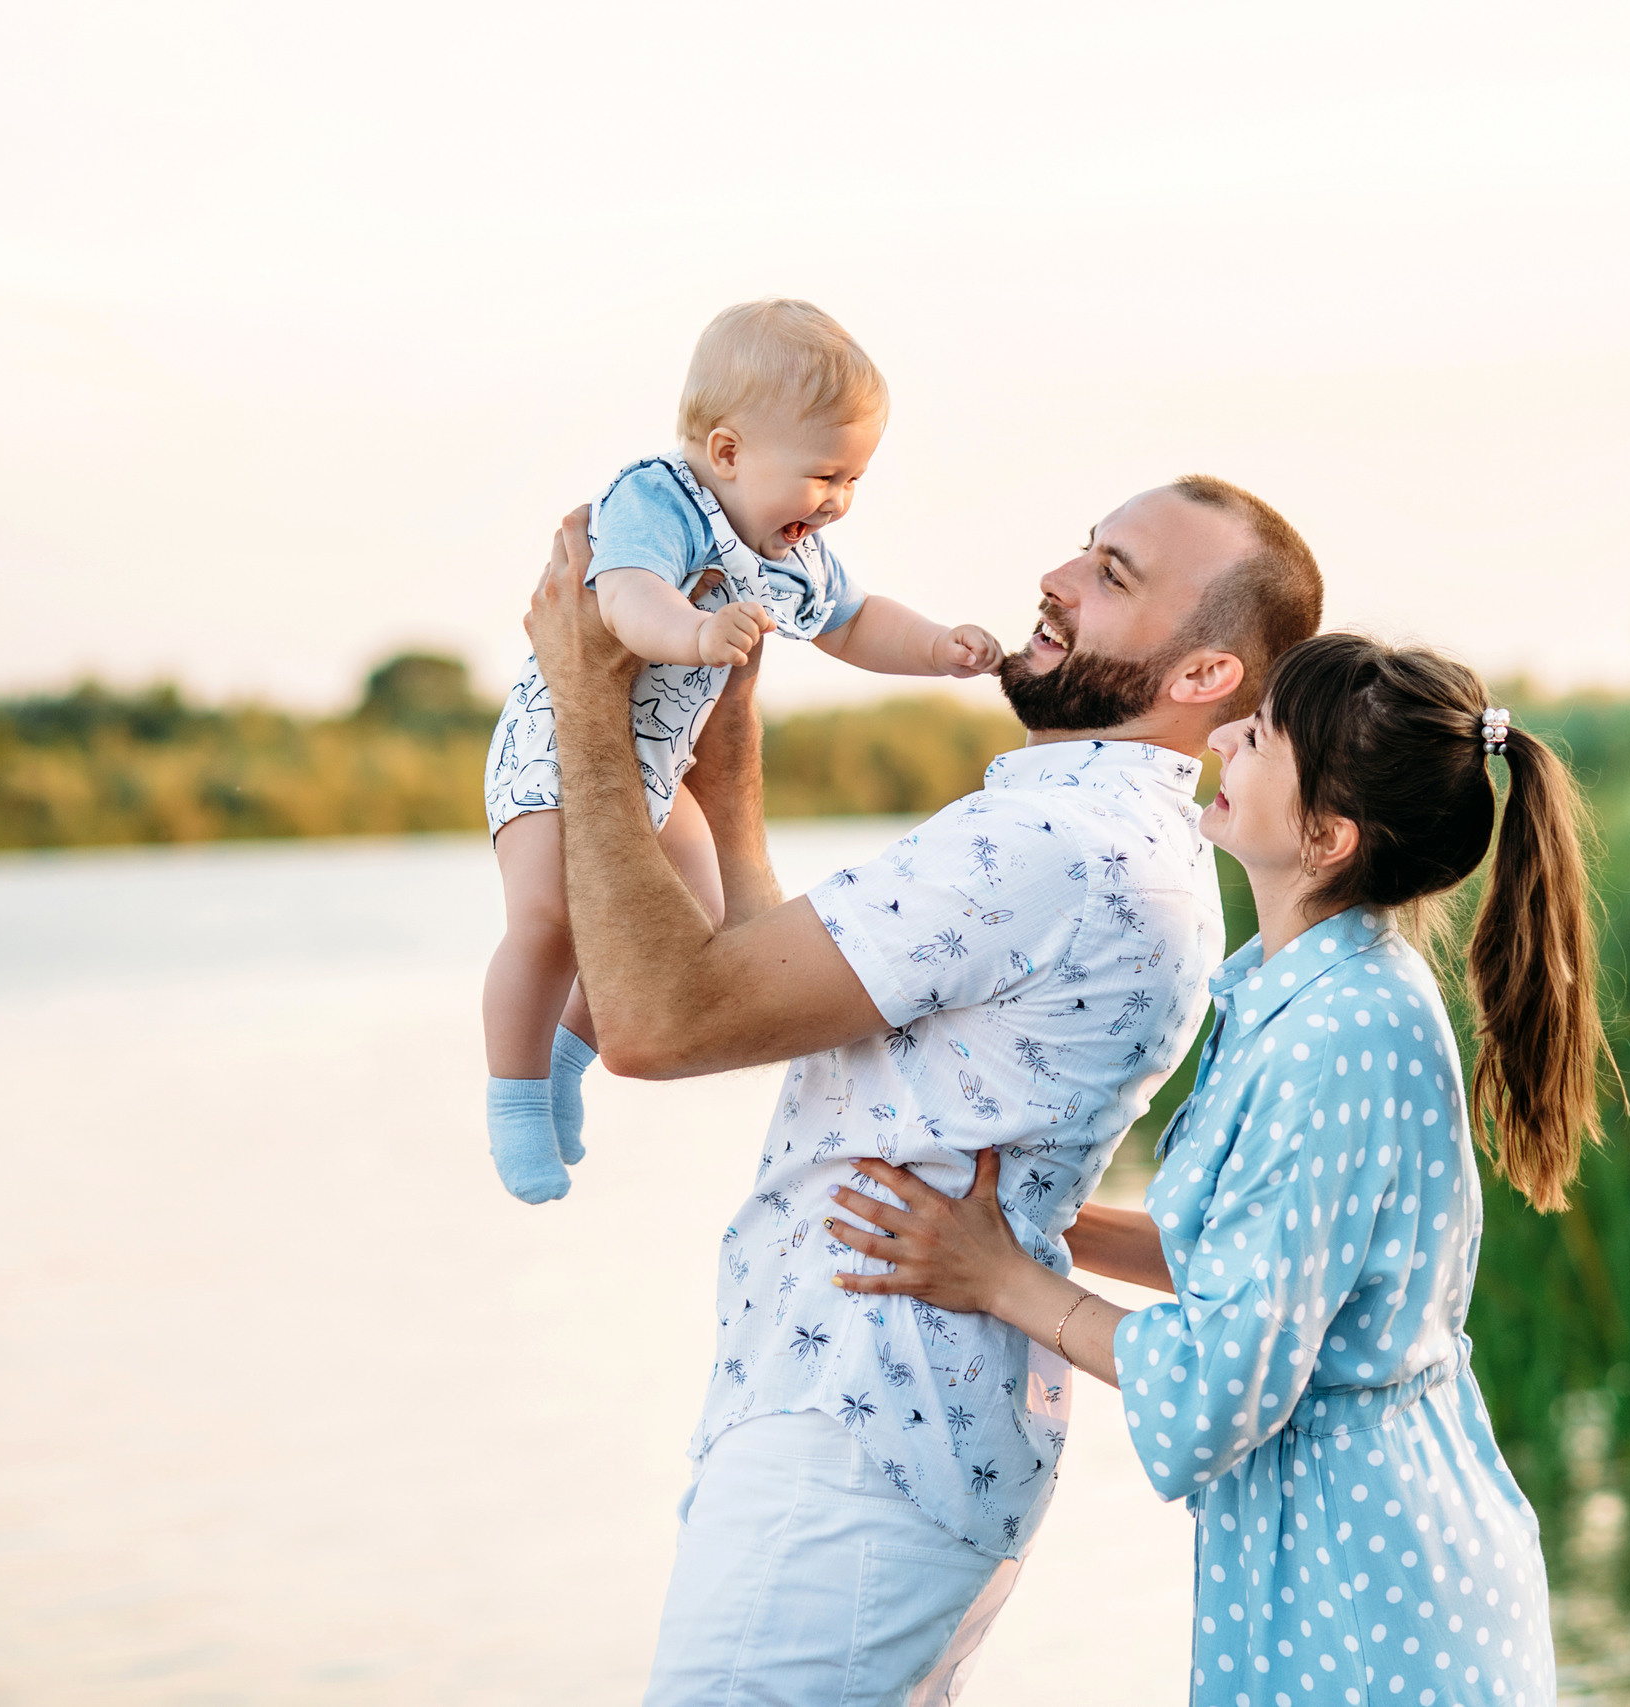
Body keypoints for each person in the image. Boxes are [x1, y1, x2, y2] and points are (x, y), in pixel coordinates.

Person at [522, 474, 1323, 1702]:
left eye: (1111, 576)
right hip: (893, 1427)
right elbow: (773, 1003)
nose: (1055, 583)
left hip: (855, 1446)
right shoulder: (1108, 840)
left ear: (1203, 675)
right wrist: (731, 789)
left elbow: (656, 1021)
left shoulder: (1056, 846)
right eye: (1081, 552)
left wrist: (587, 701)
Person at [824, 633, 1614, 1707]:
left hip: (1367, 1587)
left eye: (1264, 734)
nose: (1228, 734)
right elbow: (1257, 1272)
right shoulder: (1304, 991)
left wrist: (999, 1283)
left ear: (1327, 836)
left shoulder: (1341, 1034)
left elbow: (1213, 1392)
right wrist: (1030, 1222)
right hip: (1343, 1544)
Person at [481, 299, 1004, 1204]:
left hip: (654, 766)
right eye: (824, 475)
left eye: (854, 481)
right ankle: (515, 1099)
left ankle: (567, 1055)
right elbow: (624, 595)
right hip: (553, 747)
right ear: (728, 453)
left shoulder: (793, 551)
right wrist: (693, 633)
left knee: (690, 923)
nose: (838, 502)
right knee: (549, 919)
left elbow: (856, 623)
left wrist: (936, 650)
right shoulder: (657, 497)